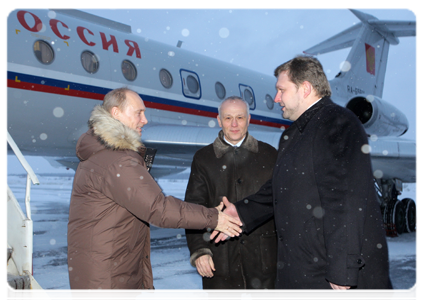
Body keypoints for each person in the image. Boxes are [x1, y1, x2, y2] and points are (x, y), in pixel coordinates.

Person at [212, 56, 394, 300]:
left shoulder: (337, 123)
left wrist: (344, 267)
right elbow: (280, 188)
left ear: (305, 88)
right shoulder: (295, 134)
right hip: (305, 272)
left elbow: (347, 199)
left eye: (281, 90)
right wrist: (242, 213)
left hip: (331, 281)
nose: (276, 98)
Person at [67, 87, 242, 300]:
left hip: (102, 272)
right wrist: (214, 218)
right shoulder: (117, 160)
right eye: (138, 113)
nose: (145, 120)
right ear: (116, 114)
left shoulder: (105, 154)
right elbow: (159, 209)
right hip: (106, 278)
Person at [185, 96, 278, 300]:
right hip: (221, 261)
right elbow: (194, 208)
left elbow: (280, 203)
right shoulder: (203, 159)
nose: (234, 124)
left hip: (265, 261)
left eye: (239, 118)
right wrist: (200, 250)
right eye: (228, 118)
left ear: (249, 119)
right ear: (219, 120)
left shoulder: (270, 155)